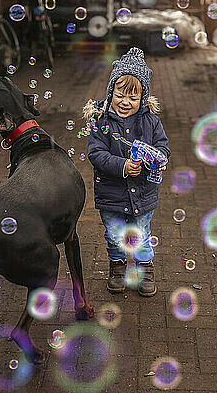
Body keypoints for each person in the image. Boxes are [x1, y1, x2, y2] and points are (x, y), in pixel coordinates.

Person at [83, 47, 171, 297]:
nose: (125, 102)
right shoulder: (101, 122)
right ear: (111, 92)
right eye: (120, 95)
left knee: (142, 234)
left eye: (133, 98)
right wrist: (123, 166)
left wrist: (161, 158)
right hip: (111, 195)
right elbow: (96, 154)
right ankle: (117, 268)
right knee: (114, 235)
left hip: (143, 194)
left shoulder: (150, 121)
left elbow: (162, 145)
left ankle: (145, 269)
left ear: (142, 99)